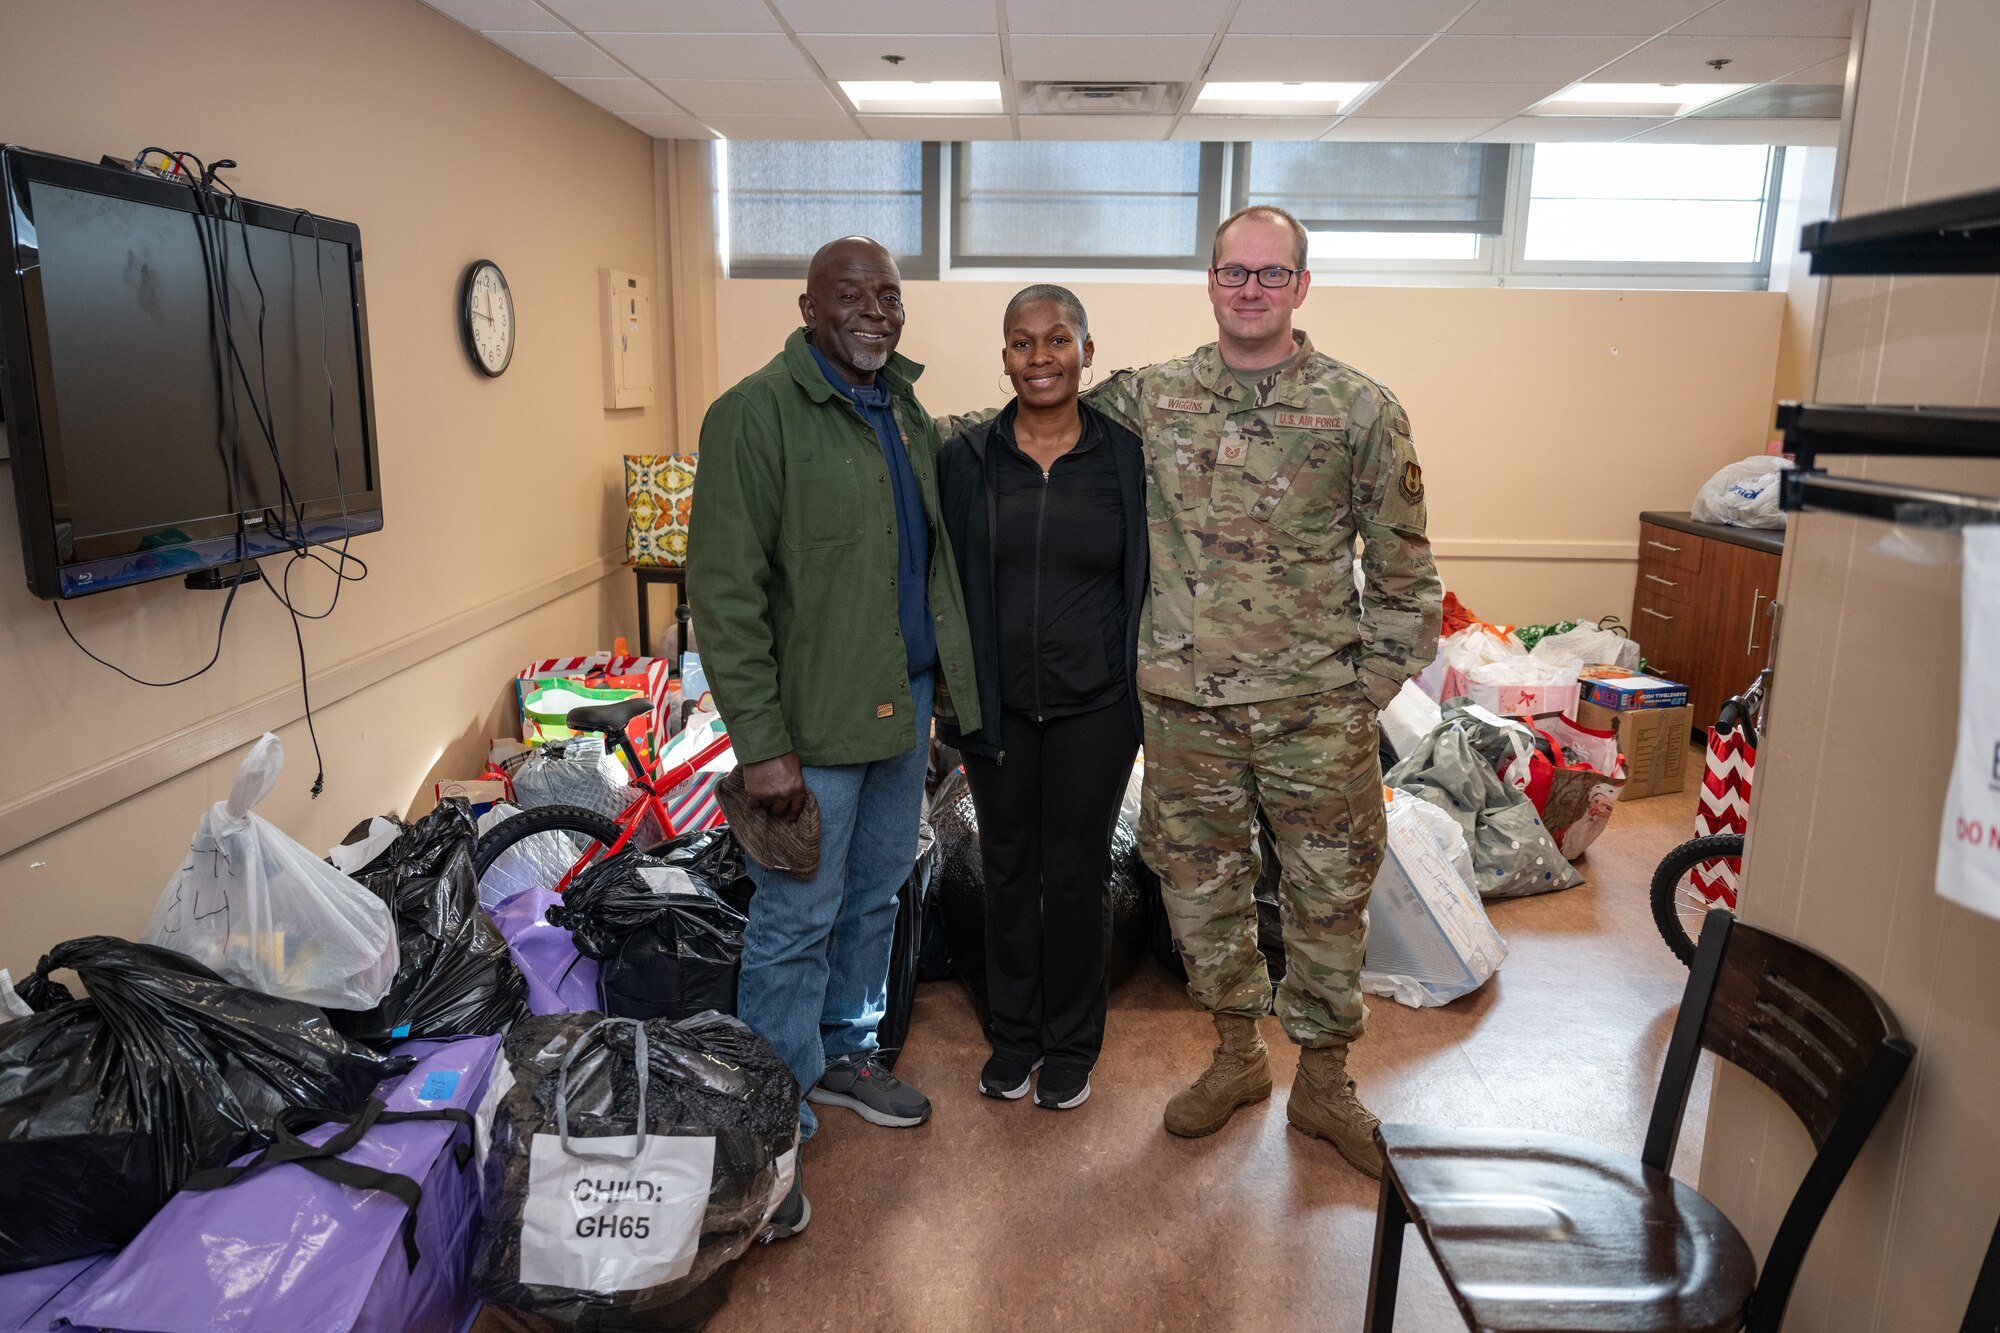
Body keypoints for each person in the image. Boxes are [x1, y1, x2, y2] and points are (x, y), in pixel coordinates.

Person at [1087, 205, 1443, 1178]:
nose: (1250, 288)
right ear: (1208, 282)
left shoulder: (1357, 410)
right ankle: (1236, 1057)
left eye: (1270, 273)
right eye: (1233, 273)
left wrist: (1355, 694)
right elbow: (1032, 417)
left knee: (1327, 902)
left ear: (1300, 285)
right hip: (1186, 715)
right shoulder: (1149, 398)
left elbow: (1410, 579)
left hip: (1314, 717)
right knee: (1199, 893)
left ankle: (1324, 1082)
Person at [687, 235, 983, 1237]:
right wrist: (760, 742)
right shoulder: (751, 416)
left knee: (875, 894)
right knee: (793, 918)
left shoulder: (904, 412)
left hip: (899, 708)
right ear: (808, 307)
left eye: (887, 295)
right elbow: (724, 595)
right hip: (808, 729)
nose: (874, 310)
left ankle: (844, 1054)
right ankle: (769, 1118)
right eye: (850, 295)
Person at [935, 285, 1147, 1112]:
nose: (1040, 357)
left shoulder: (1125, 458)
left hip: (1097, 705)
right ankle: (1014, 1035)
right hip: (999, 710)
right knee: (1007, 867)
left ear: (1087, 352)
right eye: (1022, 344)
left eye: (1058, 340)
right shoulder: (970, 458)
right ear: (1005, 359)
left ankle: (1070, 1042)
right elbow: (945, 578)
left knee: (1077, 869)